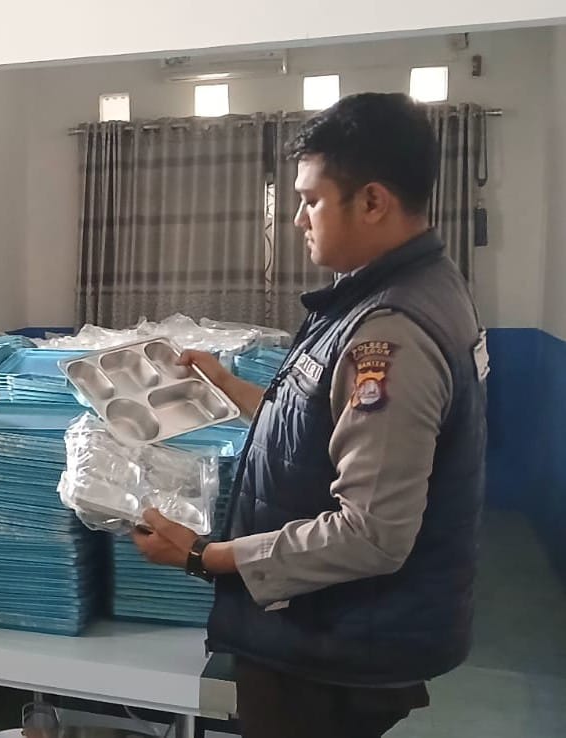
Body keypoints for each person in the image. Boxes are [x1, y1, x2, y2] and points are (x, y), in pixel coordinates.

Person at [131, 93, 488, 738]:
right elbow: (318, 423)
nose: (297, 219)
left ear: (373, 201)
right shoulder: (401, 291)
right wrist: (226, 384)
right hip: (334, 637)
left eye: (310, 200)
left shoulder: (390, 333)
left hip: (333, 651)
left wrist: (204, 556)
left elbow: (369, 533)